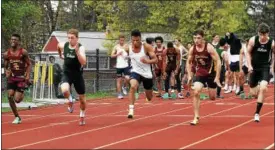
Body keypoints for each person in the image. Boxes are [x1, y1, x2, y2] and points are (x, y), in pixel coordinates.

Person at [186, 29, 221, 125]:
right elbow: (188, 63)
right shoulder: (192, 49)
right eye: (194, 38)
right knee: (196, 92)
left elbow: (218, 61)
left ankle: (211, 88)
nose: (196, 40)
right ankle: (196, 116)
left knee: (212, 97)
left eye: (198, 38)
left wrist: (217, 76)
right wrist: (189, 75)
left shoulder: (209, 48)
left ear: (203, 38)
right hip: (200, 72)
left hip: (210, 74)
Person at [57, 28, 87, 125]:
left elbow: (84, 62)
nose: (70, 40)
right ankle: (70, 100)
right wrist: (60, 54)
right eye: (69, 38)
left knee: (82, 99)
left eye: (72, 38)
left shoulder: (81, 48)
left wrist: (77, 52)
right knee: (64, 89)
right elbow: (58, 45)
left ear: (77, 38)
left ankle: (82, 114)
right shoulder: (64, 45)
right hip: (67, 72)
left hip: (77, 74)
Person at [246, 23, 275, 122]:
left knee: (263, 88)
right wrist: (249, 65)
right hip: (254, 67)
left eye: (265, 35)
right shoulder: (253, 40)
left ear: (268, 34)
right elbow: (248, 53)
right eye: (261, 35)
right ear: (258, 33)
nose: (263, 37)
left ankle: (257, 113)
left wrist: (272, 66)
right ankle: (257, 89)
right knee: (253, 94)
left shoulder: (272, 43)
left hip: (265, 67)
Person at [126, 29, 157, 118]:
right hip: (135, 71)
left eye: (137, 40)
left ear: (140, 38)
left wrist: (147, 60)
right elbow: (118, 52)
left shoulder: (146, 47)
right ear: (131, 39)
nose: (135, 42)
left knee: (149, 97)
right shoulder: (128, 47)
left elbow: (155, 60)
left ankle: (148, 92)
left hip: (147, 73)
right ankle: (131, 110)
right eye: (133, 40)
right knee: (132, 86)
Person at [3, 34, 31, 124]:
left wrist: (27, 76)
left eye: (15, 39)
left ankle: (24, 89)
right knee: (9, 96)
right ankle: (17, 117)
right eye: (12, 39)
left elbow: (29, 64)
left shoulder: (23, 52)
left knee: (17, 100)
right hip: (12, 78)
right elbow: (6, 66)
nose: (13, 41)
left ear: (18, 41)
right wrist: (6, 72)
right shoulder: (6, 54)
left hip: (21, 78)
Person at [111, 35, 130, 99]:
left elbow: (131, 54)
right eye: (120, 40)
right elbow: (112, 56)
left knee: (127, 78)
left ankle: (124, 87)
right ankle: (119, 94)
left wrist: (126, 56)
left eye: (123, 40)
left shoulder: (127, 46)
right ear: (119, 40)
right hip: (119, 66)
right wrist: (118, 54)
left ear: (124, 40)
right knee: (119, 80)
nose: (122, 41)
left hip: (126, 65)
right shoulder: (116, 47)